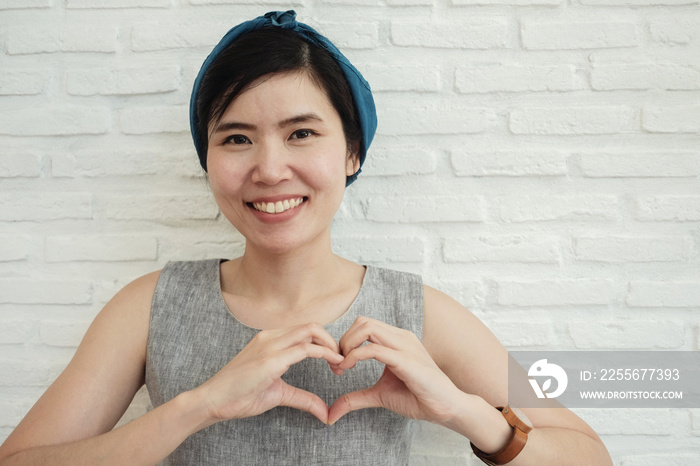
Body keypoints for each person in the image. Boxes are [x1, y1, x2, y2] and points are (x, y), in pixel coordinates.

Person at [0, 11, 612, 466]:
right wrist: (200, 404)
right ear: (208, 158)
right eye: (236, 138)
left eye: (301, 134)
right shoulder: (149, 306)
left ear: (351, 151)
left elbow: (590, 456)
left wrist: (464, 411)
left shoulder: (413, 311)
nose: (269, 169)